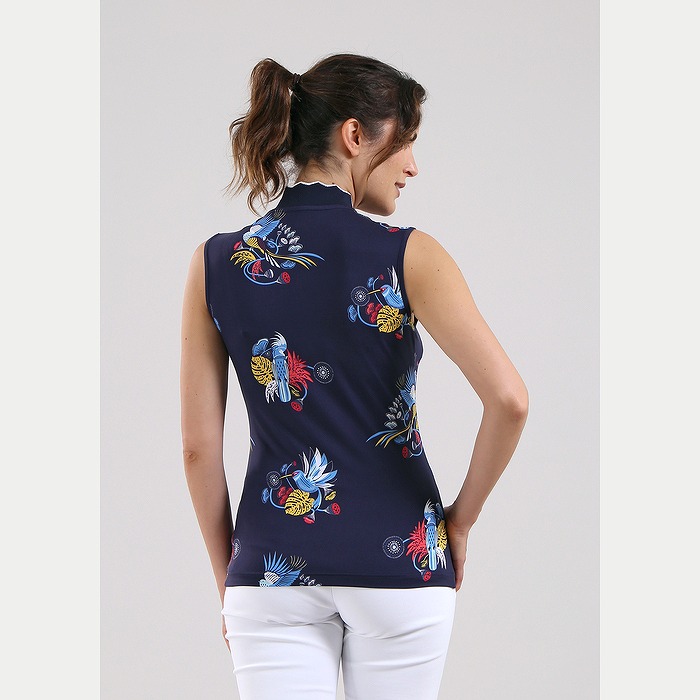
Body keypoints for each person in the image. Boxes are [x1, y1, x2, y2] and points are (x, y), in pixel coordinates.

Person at [180, 53, 528, 700]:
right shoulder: (409, 254)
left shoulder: (215, 263)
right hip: (401, 561)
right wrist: (459, 524)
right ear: (354, 135)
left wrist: (231, 577)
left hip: (272, 565)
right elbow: (509, 400)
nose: (413, 166)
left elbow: (199, 448)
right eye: (407, 141)